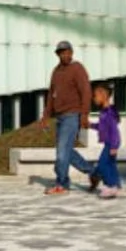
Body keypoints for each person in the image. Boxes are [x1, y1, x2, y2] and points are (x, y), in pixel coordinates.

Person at [39, 39, 91, 195]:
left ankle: (61, 184)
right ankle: (95, 172)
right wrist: (45, 116)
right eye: (61, 53)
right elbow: (51, 95)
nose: (65, 55)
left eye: (67, 52)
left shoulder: (77, 69)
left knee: (62, 152)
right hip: (60, 117)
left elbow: (86, 92)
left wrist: (84, 114)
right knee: (67, 151)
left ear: (72, 52)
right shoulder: (56, 72)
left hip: (72, 115)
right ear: (58, 55)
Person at [74, 81, 123, 198]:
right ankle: (116, 185)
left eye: (95, 96)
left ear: (103, 95)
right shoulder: (104, 111)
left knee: (103, 165)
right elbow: (102, 127)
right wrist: (90, 125)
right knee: (111, 165)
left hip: (111, 143)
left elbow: (114, 131)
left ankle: (109, 186)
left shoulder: (109, 112)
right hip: (110, 143)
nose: (93, 99)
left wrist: (114, 146)